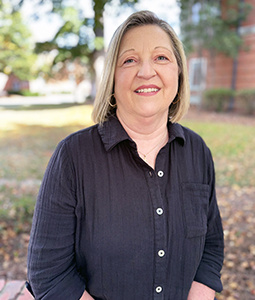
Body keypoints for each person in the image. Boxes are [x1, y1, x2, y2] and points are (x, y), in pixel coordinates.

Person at [26, 10, 224, 300]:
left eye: (161, 58)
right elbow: (49, 273)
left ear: (178, 73)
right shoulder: (73, 157)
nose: (146, 71)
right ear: (112, 79)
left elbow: (211, 247)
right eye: (129, 60)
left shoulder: (197, 152)